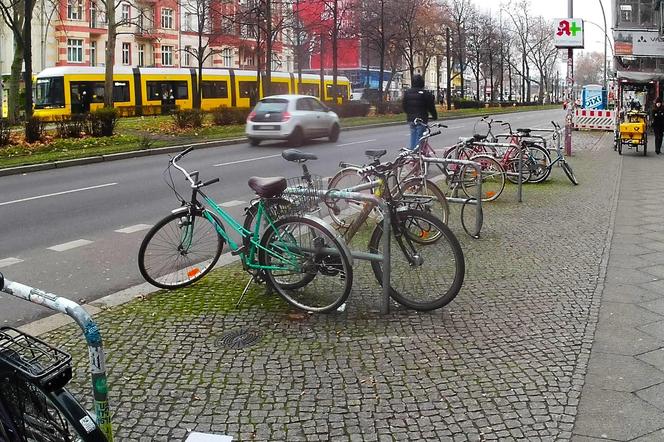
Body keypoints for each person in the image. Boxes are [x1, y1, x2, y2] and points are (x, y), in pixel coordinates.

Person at [402, 74, 437, 150]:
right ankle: (419, 156)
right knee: (420, 138)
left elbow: (404, 106)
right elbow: (431, 107)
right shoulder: (425, 94)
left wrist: (409, 114)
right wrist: (434, 116)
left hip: (411, 119)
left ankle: (413, 155)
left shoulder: (407, 93)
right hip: (422, 119)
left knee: (413, 136)